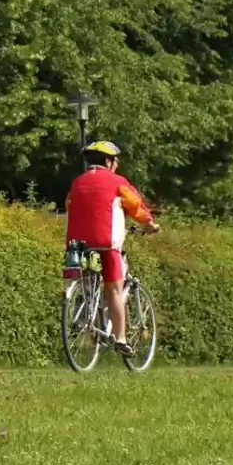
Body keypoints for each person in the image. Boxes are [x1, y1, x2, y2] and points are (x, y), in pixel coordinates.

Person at [65, 141, 160, 357]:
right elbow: (136, 207)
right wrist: (150, 224)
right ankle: (121, 338)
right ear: (108, 161)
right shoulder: (117, 182)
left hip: (76, 245)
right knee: (115, 290)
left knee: (85, 279)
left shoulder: (77, 182)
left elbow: (69, 205)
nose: (116, 165)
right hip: (106, 243)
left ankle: (82, 310)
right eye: (115, 161)